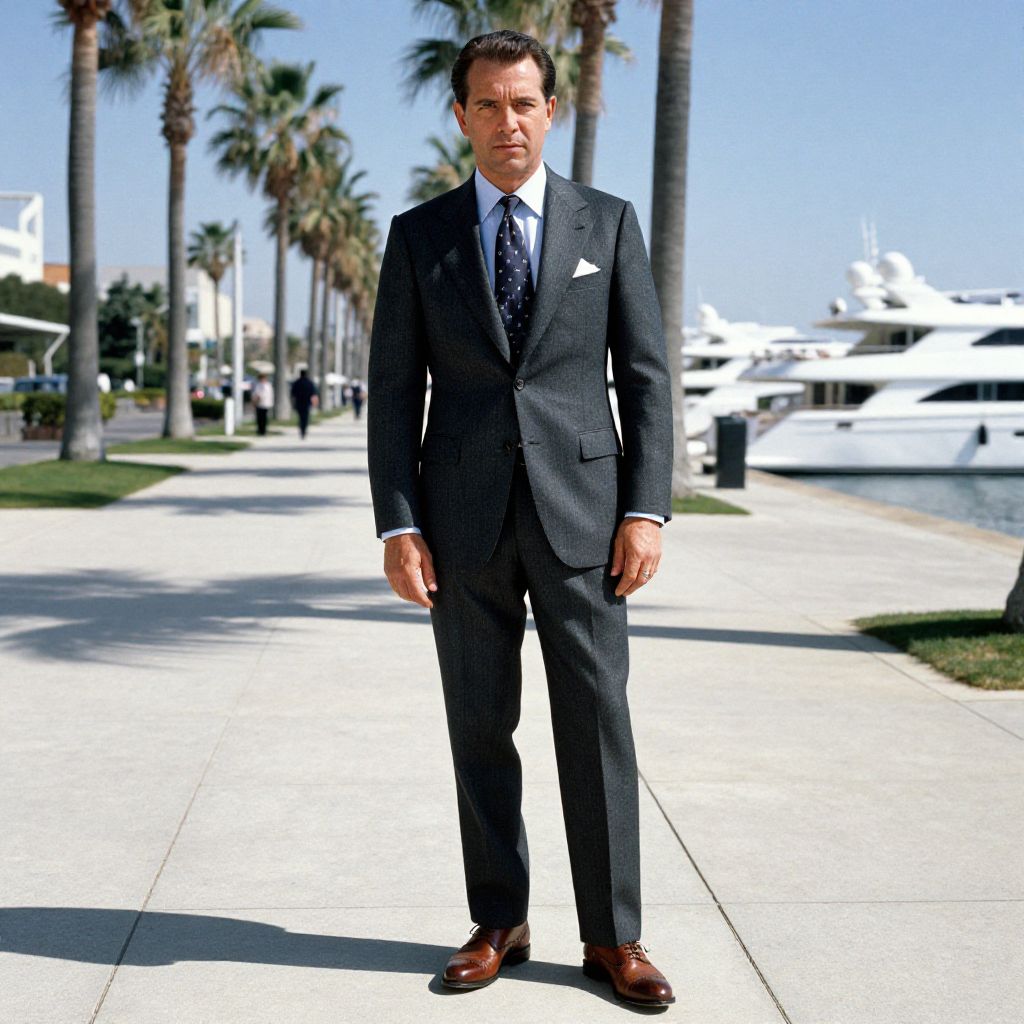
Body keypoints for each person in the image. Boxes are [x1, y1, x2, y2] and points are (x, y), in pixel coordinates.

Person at [367, 31, 674, 1007]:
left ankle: (614, 936)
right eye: (490, 105)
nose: (510, 122)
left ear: (551, 111)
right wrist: (398, 524)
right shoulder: (420, 236)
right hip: (460, 524)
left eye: (525, 104)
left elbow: (646, 380)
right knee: (478, 725)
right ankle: (499, 919)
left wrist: (644, 511)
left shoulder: (607, 224)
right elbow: (393, 393)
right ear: (462, 115)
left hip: (585, 519)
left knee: (597, 725)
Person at [289, 368, 319, 439]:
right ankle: (304, 430)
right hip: (307, 403)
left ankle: (301, 429)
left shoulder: (297, 382)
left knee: (300, 417)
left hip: (299, 402)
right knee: (305, 417)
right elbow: (313, 393)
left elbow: (293, 393)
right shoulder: (309, 383)